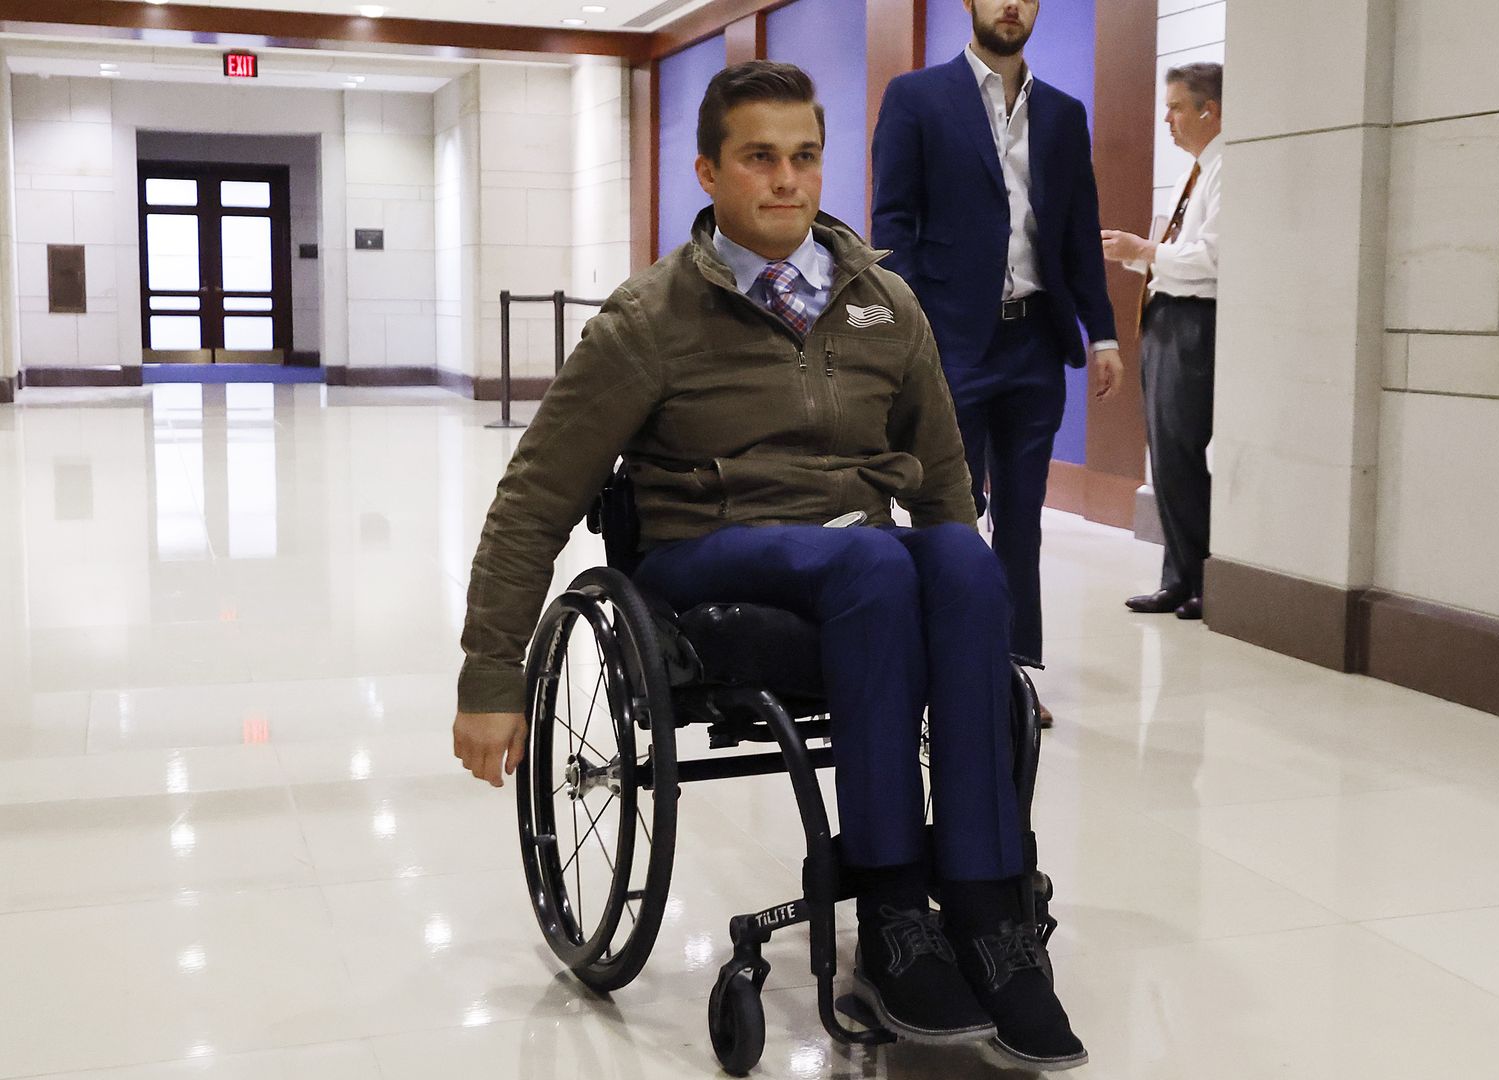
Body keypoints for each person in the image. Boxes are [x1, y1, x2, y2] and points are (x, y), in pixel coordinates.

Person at [449, 61, 1085, 1072]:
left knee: (960, 563)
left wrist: (980, 652)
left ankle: (984, 905)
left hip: (857, 550)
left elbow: (946, 482)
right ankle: (890, 913)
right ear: (709, 170)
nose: (786, 181)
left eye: (803, 158)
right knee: (876, 569)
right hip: (711, 555)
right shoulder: (649, 320)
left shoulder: (884, 302)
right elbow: (535, 498)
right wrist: (492, 675)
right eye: (759, 159)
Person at [871, 0, 1122, 726]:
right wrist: (909, 334)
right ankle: (940, 662)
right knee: (949, 512)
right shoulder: (918, 97)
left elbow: (1076, 231)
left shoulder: (1066, 115)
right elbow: (893, 223)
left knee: (1022, 519)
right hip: (949, 341)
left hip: (1034, 345)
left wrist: (1101, 333)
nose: (1012, 4)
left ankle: (1008, 671)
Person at [1102, 62, 1223, 621]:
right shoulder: (1192, 173)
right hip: (1166, 317)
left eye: (1176, 107)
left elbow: (1215, 260)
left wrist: (1146, 252)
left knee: (1183, 452)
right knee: (1166, 457)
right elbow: (1177, 255)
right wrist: (1135, 255)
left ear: (1209, 110)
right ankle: (1177, 575)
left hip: (1197, 324)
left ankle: (1202, 578)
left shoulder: (1227, 168)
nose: (1168, 119)